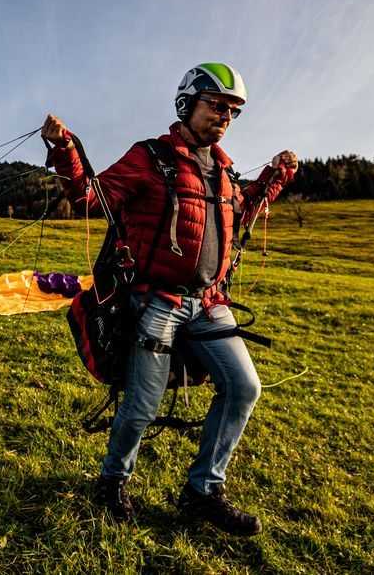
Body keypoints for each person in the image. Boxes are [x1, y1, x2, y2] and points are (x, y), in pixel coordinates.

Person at [42, 63, 298, 535]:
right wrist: (65, 149)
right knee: (140, 406)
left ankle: (202, 491)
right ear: (188, 103)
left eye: (232, 110)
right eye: (216, 105)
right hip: (156, 302)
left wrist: (275, 177)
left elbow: (242, 210)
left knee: (244, 387)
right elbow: (90, 199)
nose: (224, 115)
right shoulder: (150, 157)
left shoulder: (222, 171)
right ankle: (112, 481)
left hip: (209, 302)